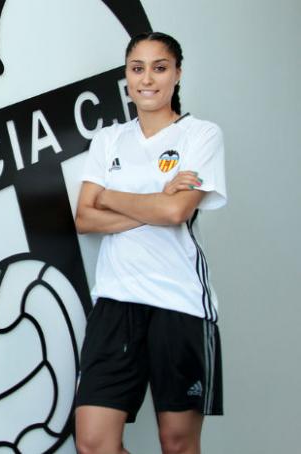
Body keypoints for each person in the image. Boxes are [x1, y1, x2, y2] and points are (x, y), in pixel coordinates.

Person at [74, 31, 226, 454]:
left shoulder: (201, 135)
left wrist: (109, 195)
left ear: (177, 74)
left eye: (159, 68)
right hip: (116, 301)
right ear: (126, 77)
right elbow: (85, 217)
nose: (147, 79)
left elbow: (176, 213)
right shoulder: (108, 140)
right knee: (93, 443)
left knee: (177, 444)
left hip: (179, 303)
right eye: (137, 69)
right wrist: (157, 199)